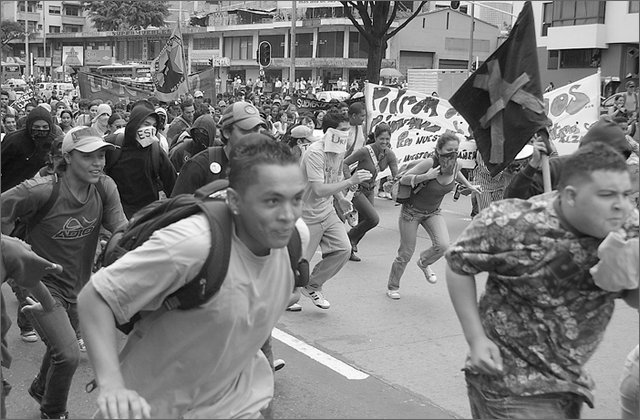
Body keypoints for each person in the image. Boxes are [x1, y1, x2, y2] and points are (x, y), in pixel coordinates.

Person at [77, 135, 308, 419]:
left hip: (237, 407)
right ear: (234, 201)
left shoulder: (295, 238)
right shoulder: (192, 245)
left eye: (296, 198)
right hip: (150, 408)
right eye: (272, 201)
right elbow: (95, 297)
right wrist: (111, 385)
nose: (288, 215)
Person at [445, 142, 639, 419]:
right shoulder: (513, 222)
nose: (621, 206)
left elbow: (635, 299)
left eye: (626, 195)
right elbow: (458, 262)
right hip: (509, 383)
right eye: (607, 195)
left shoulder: (628, 227)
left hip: (570, 383)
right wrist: (475, 338)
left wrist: (627, 271)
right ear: (570, 196)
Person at [1, 126, 127, 419]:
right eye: (88, 156)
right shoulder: (41, 189)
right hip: (38, 283)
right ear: (67, 157)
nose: (98, 163)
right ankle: (53, 411)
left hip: (79, 283)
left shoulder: (104, 187)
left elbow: (121, 228)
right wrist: (11, 255)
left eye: (102, 155)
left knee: (62, 345)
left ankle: (42, 388)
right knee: (69, 354)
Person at [386, 133, 479, 300]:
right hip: (411, 212)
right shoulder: (430, 163)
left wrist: (469, 186)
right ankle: (393, 286)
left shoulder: (455, 164)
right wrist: (426, 176)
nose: (453, 153)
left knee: (444, 246)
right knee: (406, 253)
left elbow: (457, 173)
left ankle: (424, 262)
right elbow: (405, 179)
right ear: (439, 150)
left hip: (433, 212)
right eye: (449, 150)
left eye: (456, 150)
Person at [298, 111, 372, 309]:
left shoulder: (339, 151)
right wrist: (351, 181)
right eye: (342, 130)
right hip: (306, 216)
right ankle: (285, 293)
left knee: (344, 249)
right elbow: (319, 189)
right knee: (299, 264)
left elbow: (335, 178)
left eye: (348, 130)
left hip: (327, 211)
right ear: (329, 131)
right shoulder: (315, 153)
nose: (346, 134)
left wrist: (341, 199)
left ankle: (313, 286)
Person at [1, 235, 61, 419]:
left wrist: (48, 305)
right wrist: (48, 304)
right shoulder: (7, 248)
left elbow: (30, 278)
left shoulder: (7, 249)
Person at [504, 117, 634, 200]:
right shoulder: (555, 168)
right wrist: (533, 165)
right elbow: (512, 200)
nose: (613, 165)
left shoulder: (619, 181)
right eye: (609, 158)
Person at [171, 102, 267, 197]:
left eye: (256, 130)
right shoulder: (199, 166)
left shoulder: (266, 167)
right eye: (246, 131)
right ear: (227, 132)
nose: (253, 137)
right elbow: (176, 209)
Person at [104, 102, 177, 219]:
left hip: (146, 217)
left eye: (154, 126)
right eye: (146, 124)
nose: (150, 129)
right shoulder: (112, 145)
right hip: (115, 216)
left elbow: (173, 184)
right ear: (134, 123)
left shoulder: (155, 151)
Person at [343, 123, 398, 262]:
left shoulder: (390, 154)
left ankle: (348, 249)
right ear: (375, 138)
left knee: (365, 222)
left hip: (370, 190)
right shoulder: (365, 151)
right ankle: (349, 238)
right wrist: (350, 180)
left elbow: (396, 174)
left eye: (387, 139)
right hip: (357, 190)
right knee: (373, 219)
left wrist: (395, 182)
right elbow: (344, 163)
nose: (385, 142)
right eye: (381, 139)